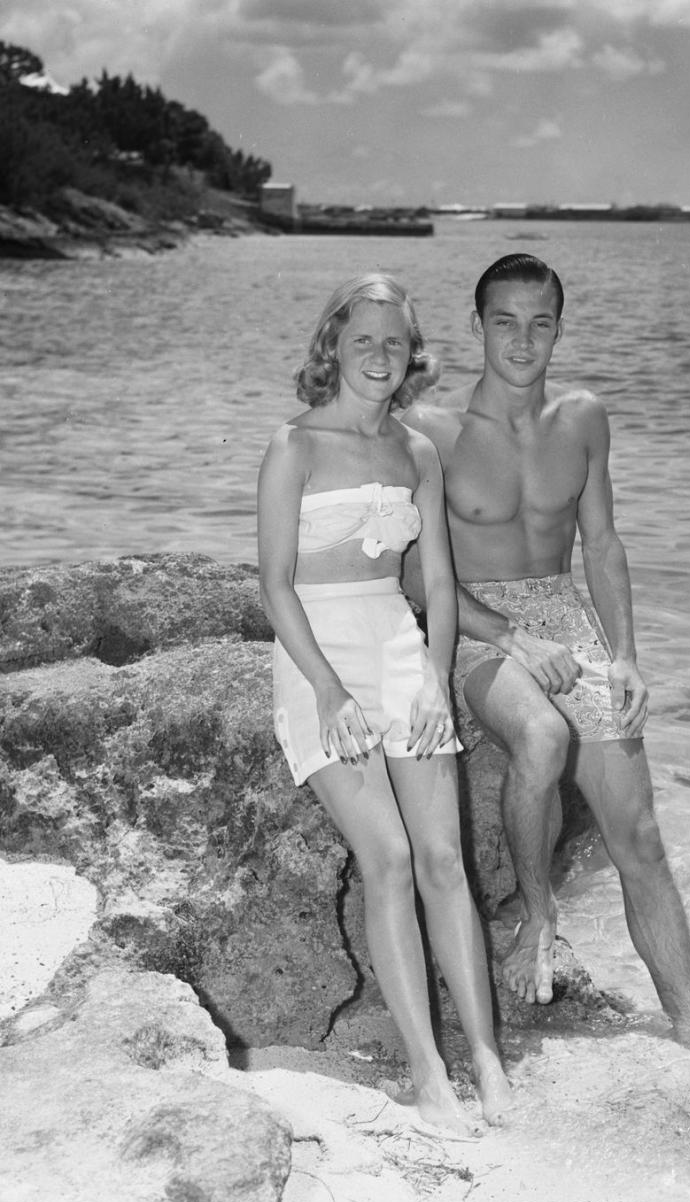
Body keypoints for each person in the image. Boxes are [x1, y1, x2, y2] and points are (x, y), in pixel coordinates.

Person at [404, 254, 690, 1071]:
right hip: (480, 624)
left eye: (540, 321)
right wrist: (511, 636)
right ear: (476, 327)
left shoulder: (582, 417)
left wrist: (622, 655)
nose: (523, 339)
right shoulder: (433, 434)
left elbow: (604, 542)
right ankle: (538, 913)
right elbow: (415, 573)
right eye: (505, 322)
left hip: (567, 613)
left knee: (642, 835)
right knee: (544, 737)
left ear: (559, 327)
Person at [257, 273, 513, 1135]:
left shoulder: (419, 452)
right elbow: (275, 584)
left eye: (393, 342)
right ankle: (426, 1070)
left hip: (401, 649)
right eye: (362, 339)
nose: (378, 355)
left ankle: (485, 1057)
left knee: (445, 858)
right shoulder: (293, 446)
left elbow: (437, 581)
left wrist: (437, 680)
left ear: (412, 355)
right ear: (333, 344)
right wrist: (328, 688)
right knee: (391, 858)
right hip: (319, 655)